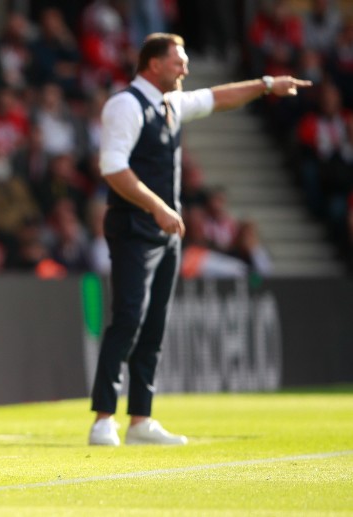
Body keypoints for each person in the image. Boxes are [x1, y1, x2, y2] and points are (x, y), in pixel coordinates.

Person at [88, 33, 311, 447]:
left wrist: (265, 85)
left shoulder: (171, 104)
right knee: (129, 319)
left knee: (154, 325)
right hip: (134, 229)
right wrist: (157, 206)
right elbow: (113, 168)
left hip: (164, 232)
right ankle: (103, 418)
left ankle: (140, 420)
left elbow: (218, 97)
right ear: (153, 65)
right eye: (178, 61)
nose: (185, 68)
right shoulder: (125, 105)